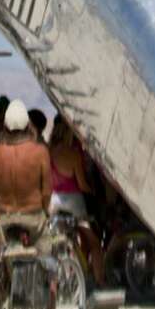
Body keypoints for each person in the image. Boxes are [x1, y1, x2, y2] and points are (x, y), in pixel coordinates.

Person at [0, 99, 60, 309]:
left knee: (0, 268)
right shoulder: (39, 152)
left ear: (4, 126)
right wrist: (45, 212)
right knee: (49, 267)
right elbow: (47, 191)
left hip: (5, 220)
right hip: (33, 219)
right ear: (28, 125)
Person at [49, 116, 104, 284]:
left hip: (55, 200)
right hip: (74, 201)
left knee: (56, 241)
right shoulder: (72, 153)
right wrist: (94, 192)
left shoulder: (49, 151)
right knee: (93, 242)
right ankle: (99, 280)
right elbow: (82, 185)